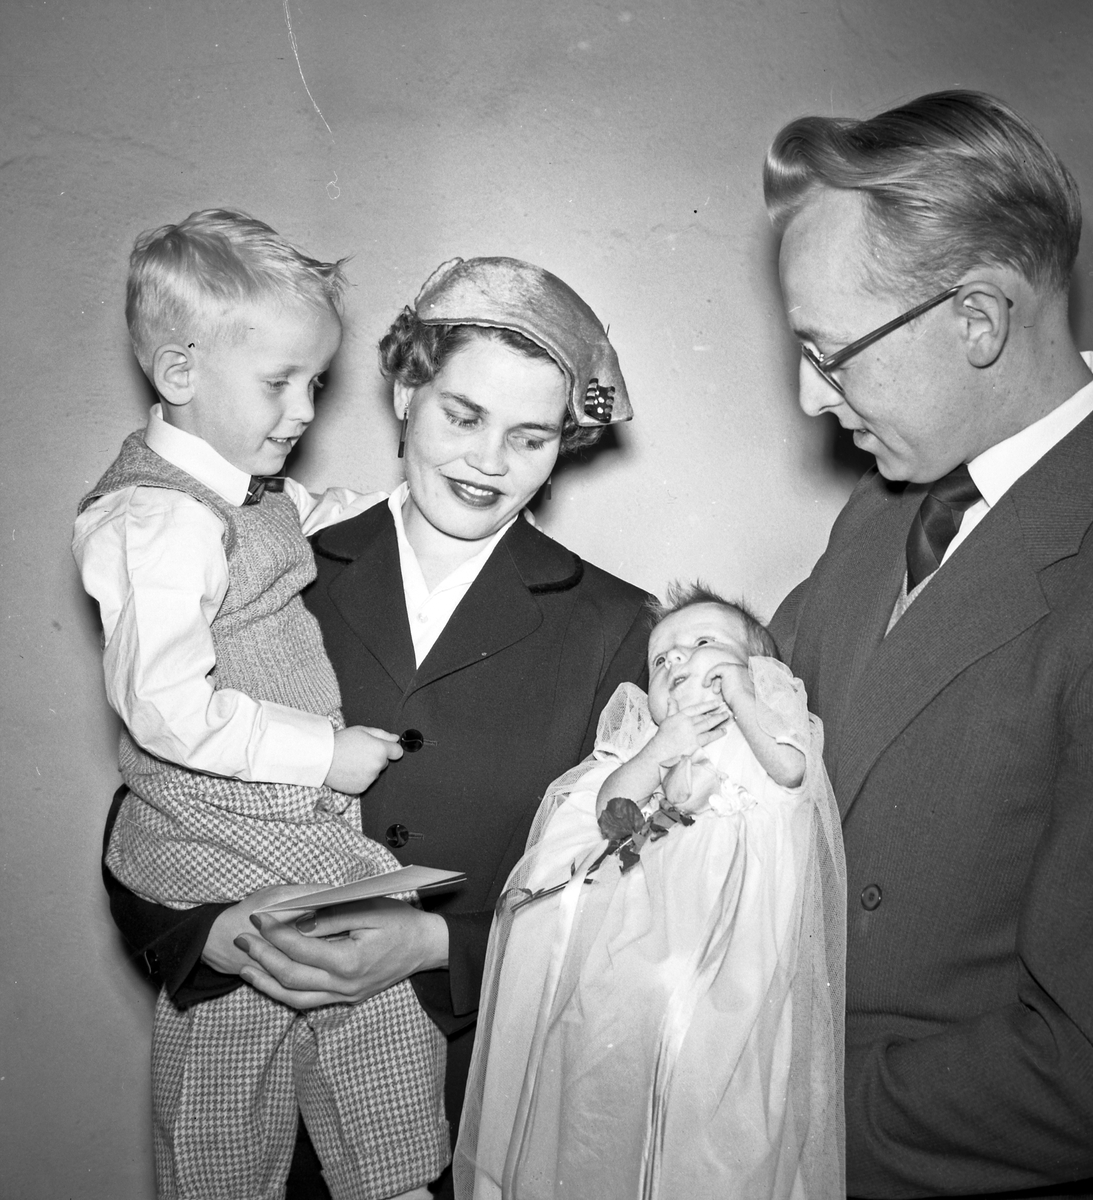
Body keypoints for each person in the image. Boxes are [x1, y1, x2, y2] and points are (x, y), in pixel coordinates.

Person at [99, 255, 654, 1197]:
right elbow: (155, 794)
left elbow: (634, 901)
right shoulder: (263, 558)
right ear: (404, 392)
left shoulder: (617, 627)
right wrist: (205, 935)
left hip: (485, 1099)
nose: (488, 461)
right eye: (462, 417)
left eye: (529, 437)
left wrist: (440, 946)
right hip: (265, 1103)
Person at [764, 90, 1093, 1197]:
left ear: (977, 320)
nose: (810, 398)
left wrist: (757, 1110)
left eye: (829, 353)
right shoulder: (890, 500)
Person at [75, 209, 451, 1200]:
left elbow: (298, 523)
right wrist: (321, 755)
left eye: (315, 384)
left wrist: (404, 503)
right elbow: (166, 708)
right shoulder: (157, 518)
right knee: (345, 943)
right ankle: (385, 1176)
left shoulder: (245, 488)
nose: (302, 411)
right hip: (220, 810)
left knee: (294, 994)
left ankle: (380, 1173)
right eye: (280, 382)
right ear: (180, 371)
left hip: (259, 807)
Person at [454, 584, 846, 1199]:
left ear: (759, 668)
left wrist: (743, 698)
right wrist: (661, 748)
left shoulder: (764, 725)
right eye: (661, 659)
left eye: (704, 642)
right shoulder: (645, 744)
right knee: (605, 1053)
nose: (678, 660)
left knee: (709, 1081)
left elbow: (792, 771)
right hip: (637, 934)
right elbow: (610, 808)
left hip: (732, 938)